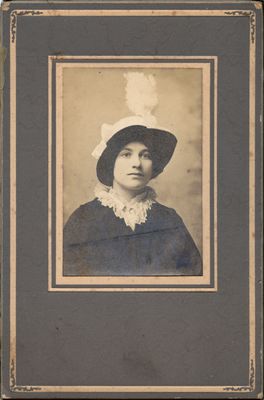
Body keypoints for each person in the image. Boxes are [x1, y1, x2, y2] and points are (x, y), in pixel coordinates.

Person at [63, 119, 202, 276]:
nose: (137, 163)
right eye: (126, 154)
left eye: (145, 155)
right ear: (111, 162)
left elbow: (194, 277)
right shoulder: (84, 218)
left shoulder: (169, 219)